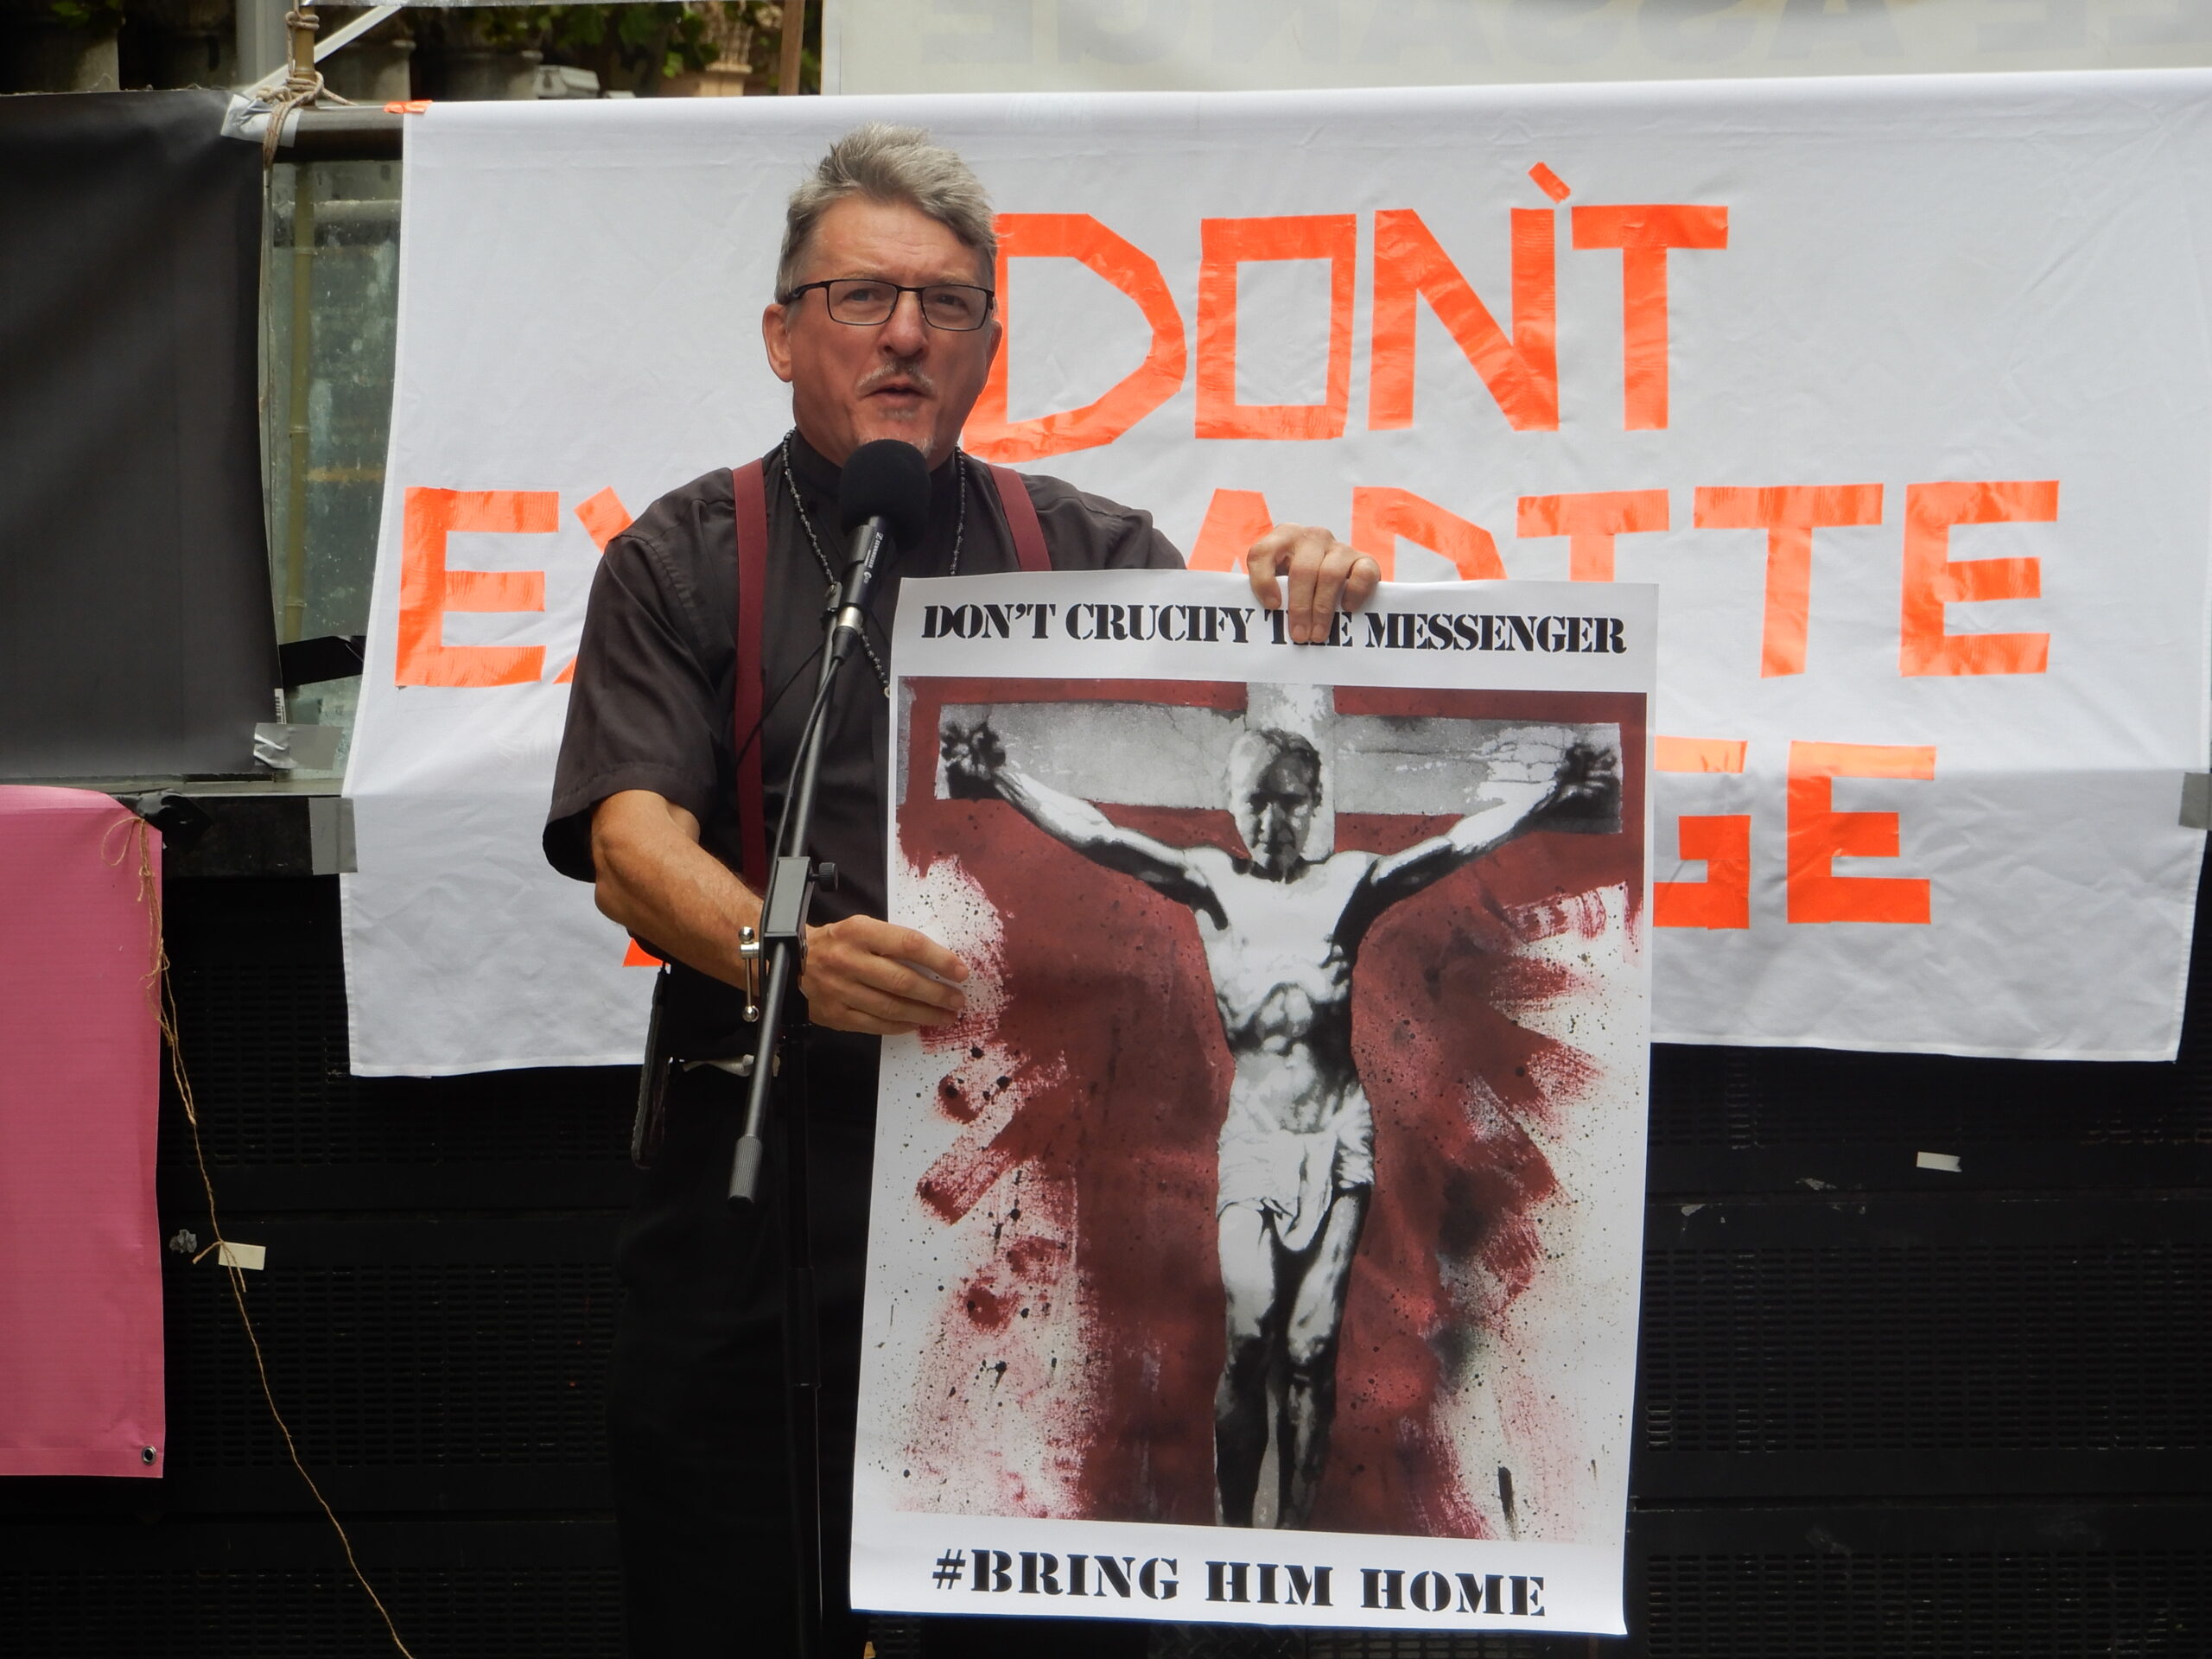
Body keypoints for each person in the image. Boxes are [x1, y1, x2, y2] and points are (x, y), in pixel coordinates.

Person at [543, 124, 1378, 1658]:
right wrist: (778, 944)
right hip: (765, 1174)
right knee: (734, 1595)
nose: (906, 334)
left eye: (946, 305)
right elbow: (629, 840)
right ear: (784, 329)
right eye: (862, 297)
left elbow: (1249, 760)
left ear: (991, 344)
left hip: (1043, 1190)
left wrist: (1307, 613)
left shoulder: (1091, 553)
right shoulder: (686, 553)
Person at [941, 719, 1619, 1530]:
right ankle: (1237, 1533)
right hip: (1257, 1137)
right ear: (1233, 805)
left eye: (1289, 803)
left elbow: (1447, 849)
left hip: (1338, 1134)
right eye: (1256, 802)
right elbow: (1103, 837)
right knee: (1251, 1333)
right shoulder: (1211, 882)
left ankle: (1291, 1535)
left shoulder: (1351, 884)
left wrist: (1546, 795)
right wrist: (1004, 776)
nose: (1272, 821)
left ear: (1312, 806)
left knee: (1308, 1352)